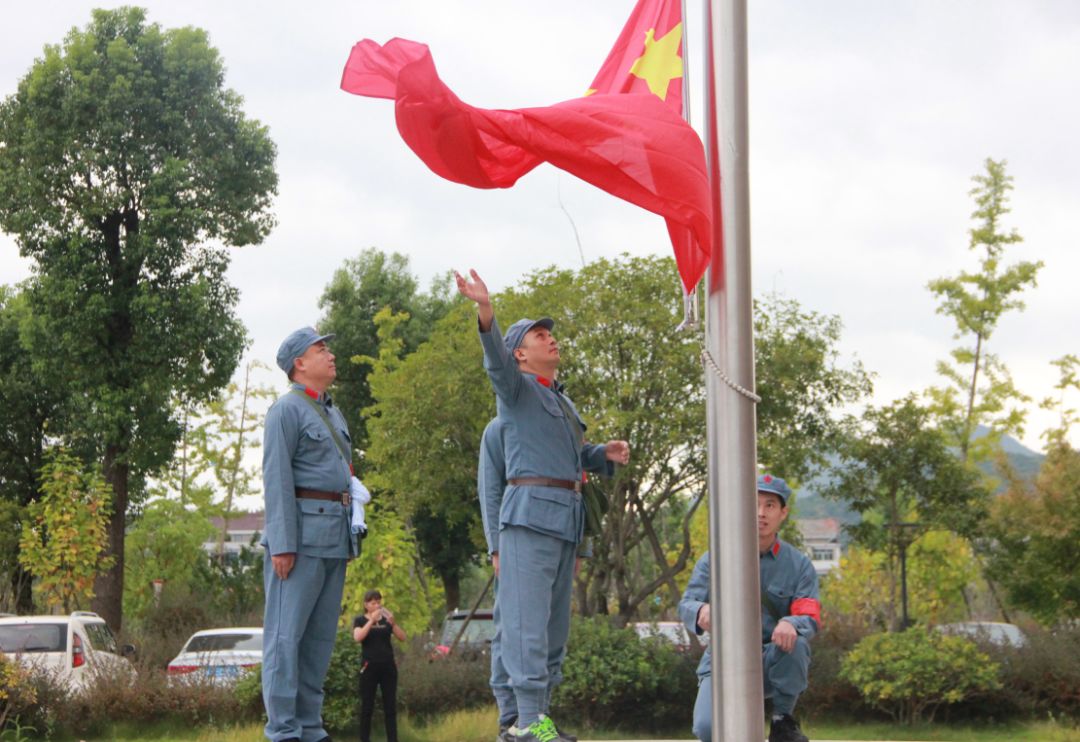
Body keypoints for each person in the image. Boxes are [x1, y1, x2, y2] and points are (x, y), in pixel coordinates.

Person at [456, 269, 630, 742]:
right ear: (520, 354)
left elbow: (565, 459)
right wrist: (486, 312)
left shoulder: (560, 401)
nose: (550, 339)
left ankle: (539, 719)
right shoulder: (516, 391)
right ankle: (525, 720)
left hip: (563, 522)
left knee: (553, 633)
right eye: (540, 334)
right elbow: (494, 362)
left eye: (550, 333)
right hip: (529, 519)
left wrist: (601, 456)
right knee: (526, 628)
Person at [261, 327, 360, 742]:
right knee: (285, 640)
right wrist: (282, 543)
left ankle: (310, 728)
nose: (330, 354)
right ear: (299, 363)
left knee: (318, 641)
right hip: (299, 540)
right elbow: (277, 478)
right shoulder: (285, 411)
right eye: (321, 349)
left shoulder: (332, 412)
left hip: (334, 536)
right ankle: (284, 731)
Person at [679, 474, 820, 742]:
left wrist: (792, 622)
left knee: (797, 642)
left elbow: (809, 615)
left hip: (772, 658)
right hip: (723, 660)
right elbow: (687, 602)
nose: (760, 513)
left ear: (783, 513)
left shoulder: (799, 565)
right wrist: (700, 611)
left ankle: (782, 720)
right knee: (707, 729)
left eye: (770, 505)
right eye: (754, 504)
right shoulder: (714, 558)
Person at [353, 589, 407, 742]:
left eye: (378, 602)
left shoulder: (385, 621)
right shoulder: (360, 620)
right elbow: (357, 637)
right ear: (366, 605)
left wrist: (393, 624)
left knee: (390, 706)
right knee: (367, 706)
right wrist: (371, 621)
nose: (377, 605)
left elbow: (403, 637)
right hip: (369, 667)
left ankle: (392, 739)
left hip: (388, 667)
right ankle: (365, 739)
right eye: (373, 603)